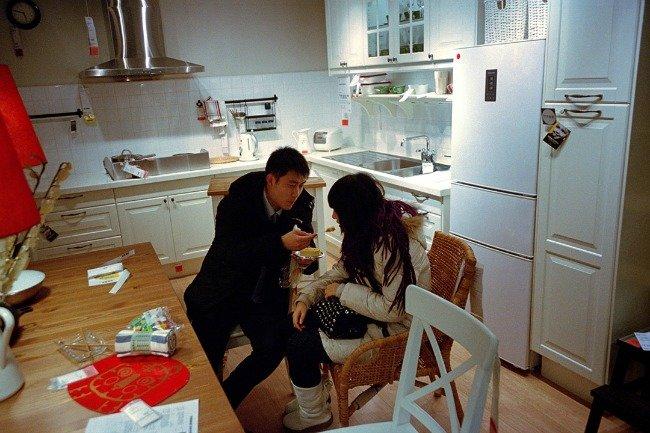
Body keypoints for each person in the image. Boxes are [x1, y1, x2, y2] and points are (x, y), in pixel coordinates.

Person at [283, 173, 431, 432]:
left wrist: (342, 291)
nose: (334, 217)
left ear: (353, 211)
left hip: (395, 333)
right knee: (294, 323)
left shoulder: (393, 245)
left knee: (299, 345)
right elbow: (340, 270)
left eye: (337, 210)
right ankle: (315, 399)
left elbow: (394, 310)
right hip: (372, 318)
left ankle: (315, 414)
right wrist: (306, 298)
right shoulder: (370, 231)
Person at [184, 147, 318, 408]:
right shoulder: (238, 200)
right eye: (291, 185)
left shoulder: (302, 203)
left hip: (263, 293)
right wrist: (280, 243)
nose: (297, 192)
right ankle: (212, 407)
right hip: (223, 288)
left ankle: (227, 399)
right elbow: (231, 253)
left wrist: (307, 259)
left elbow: (306, 248)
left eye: (302, 185)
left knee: (275, 345)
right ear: (271, 180)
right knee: (209, 352)